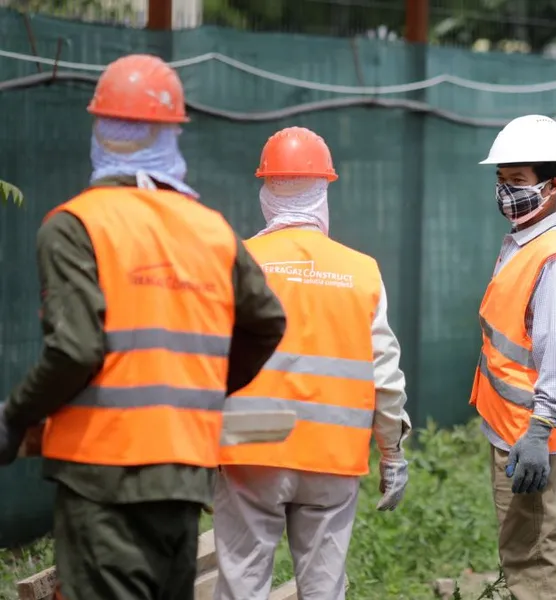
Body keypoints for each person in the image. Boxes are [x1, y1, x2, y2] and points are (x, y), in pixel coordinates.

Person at [0, 54, 287, 600]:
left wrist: (13, 418)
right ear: (172, 135)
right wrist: (198, 388)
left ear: (100, 130)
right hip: (182, 475)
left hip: (101, 480)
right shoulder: (211, 230)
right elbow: (267, 322)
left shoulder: (75, 225)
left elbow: (75, 349)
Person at [213, 126, 412, 600]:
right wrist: (392, 452)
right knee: (324, 589)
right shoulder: (360, 270)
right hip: (333, 453)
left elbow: (206, 362)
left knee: (242, 585)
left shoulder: (234, 261)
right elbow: (383, 372)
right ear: (323, 191)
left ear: (267, 192)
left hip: (250, 450)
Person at [469, 114, 556, 600]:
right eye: (501, 181)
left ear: (553, 185)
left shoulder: (551, 258)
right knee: (526, 554)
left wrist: (538, 432)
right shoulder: (526, 242)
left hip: (532, 440)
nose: (505, 192)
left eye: (517, 182)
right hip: (516, 434)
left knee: (537, 558)